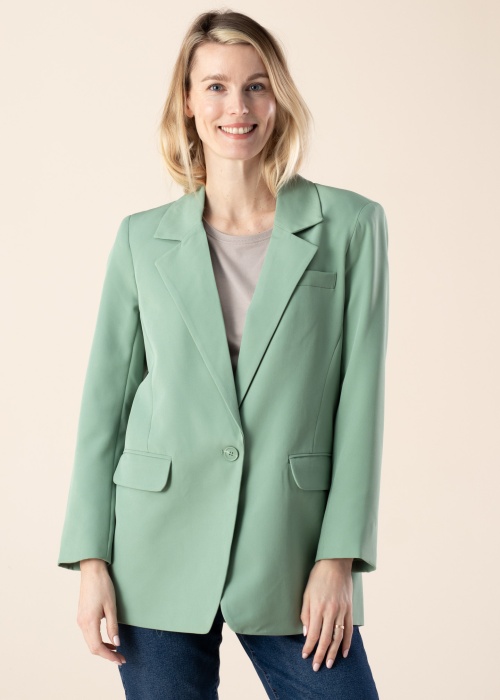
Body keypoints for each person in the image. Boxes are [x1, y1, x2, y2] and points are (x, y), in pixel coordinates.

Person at [57, 8, 389, 699]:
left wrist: (339, 558)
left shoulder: (351, 226)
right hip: (153, 549)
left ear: (278, 98)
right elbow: (105, 407)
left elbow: (360, 401)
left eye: (255, 86)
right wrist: (91, 560)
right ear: (188, 101)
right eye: (215, 87)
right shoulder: (141, 239)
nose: (237, 107)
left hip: (290, 547)